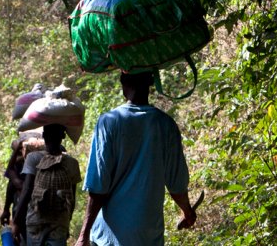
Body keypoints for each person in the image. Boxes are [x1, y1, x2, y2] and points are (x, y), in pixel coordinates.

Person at [75, 72, 195, 246]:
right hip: (147, 236)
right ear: (151, 83)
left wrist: (83, 235)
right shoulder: (166, 124)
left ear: (123, 84)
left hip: (108, 237)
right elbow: (176, 184)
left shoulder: (109, 122)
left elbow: (98, 185)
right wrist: (187, 210)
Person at [14, 124, 82, 246]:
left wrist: (16, 222)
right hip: (59, 223)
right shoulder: (72, 163)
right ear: (63, 136)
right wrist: (67, 222)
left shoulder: (33, 158)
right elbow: (71, 200)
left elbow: (27, 191)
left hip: (35, 222)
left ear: (44, 136)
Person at [1, 131, 42, 228]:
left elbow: (10, 172)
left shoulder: (23, 181)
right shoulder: (44, 163)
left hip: (24, 215)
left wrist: (8, 212)